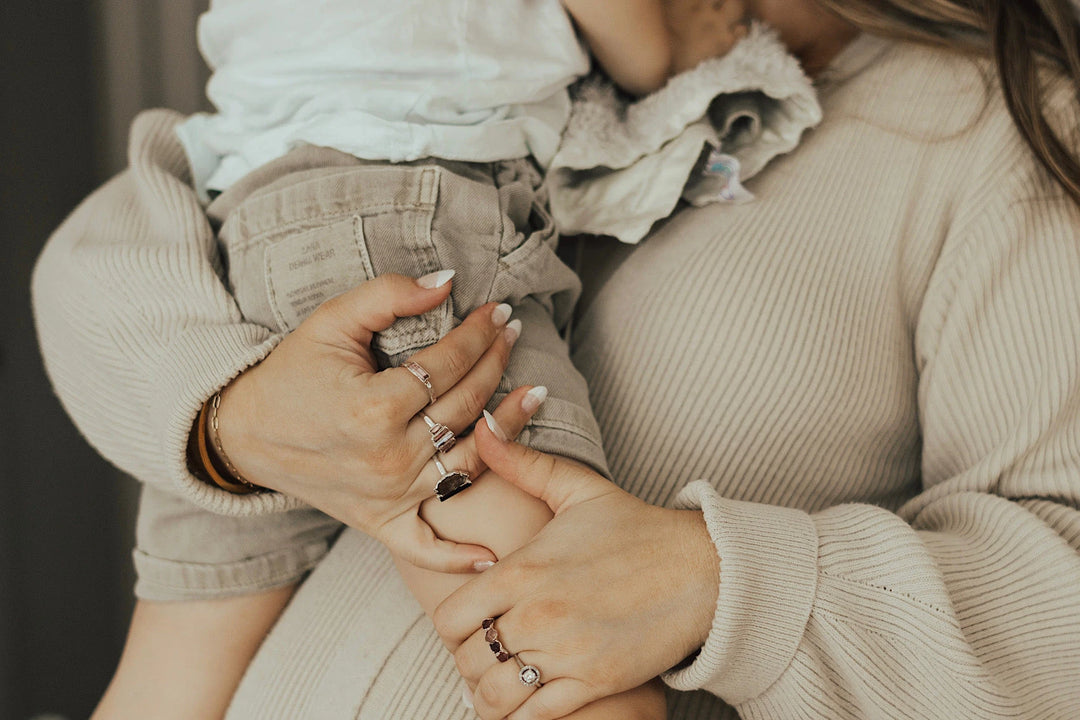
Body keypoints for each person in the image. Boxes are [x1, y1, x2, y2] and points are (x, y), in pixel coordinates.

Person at [31, 0, 1080, 718]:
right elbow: (122, 245)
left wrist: (722, 585)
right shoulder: (533, 42)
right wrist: (232, 421)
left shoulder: (1002, 124)